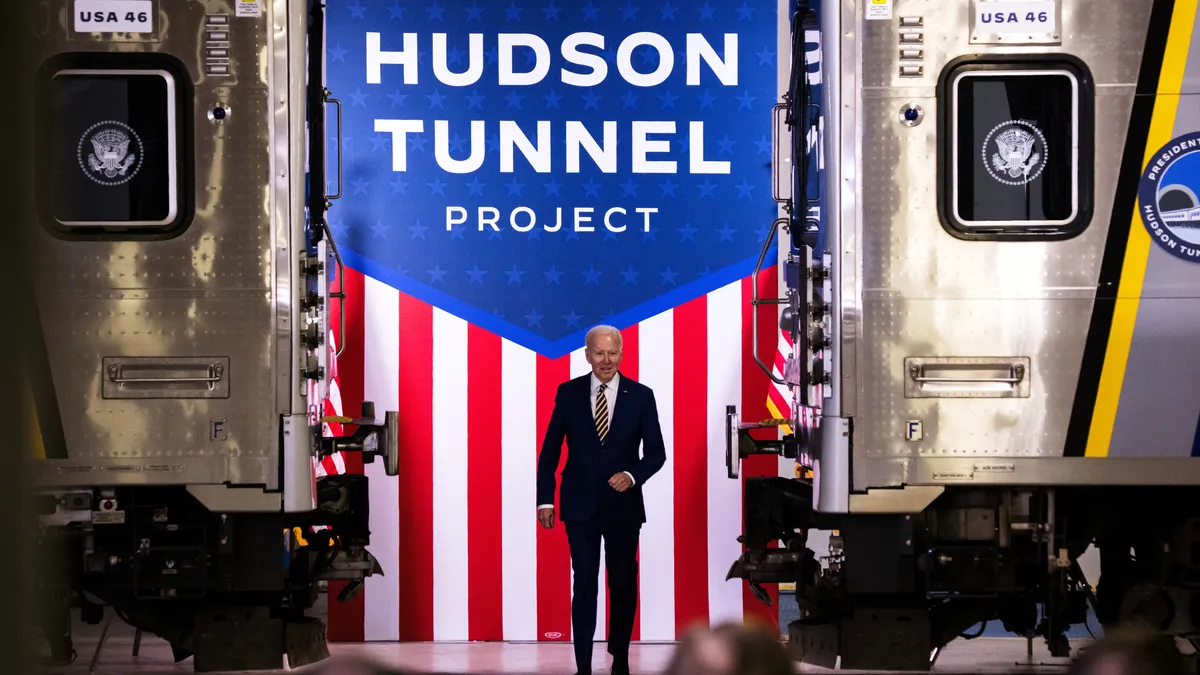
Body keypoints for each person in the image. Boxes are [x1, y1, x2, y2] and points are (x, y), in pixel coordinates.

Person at [536, 325, 667, 675]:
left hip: (624, 508)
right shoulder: (568, 393)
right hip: (579, 506)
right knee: (585, 584)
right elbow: (549, 453)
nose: (606, 360)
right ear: (587, 355)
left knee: (622, 583)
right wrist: (544, 501)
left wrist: (632, 475)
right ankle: (582, 665)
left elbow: (656, 453)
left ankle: (619, 659)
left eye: (612, 353)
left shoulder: (641, 396)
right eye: (599, 353)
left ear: (621, 354)